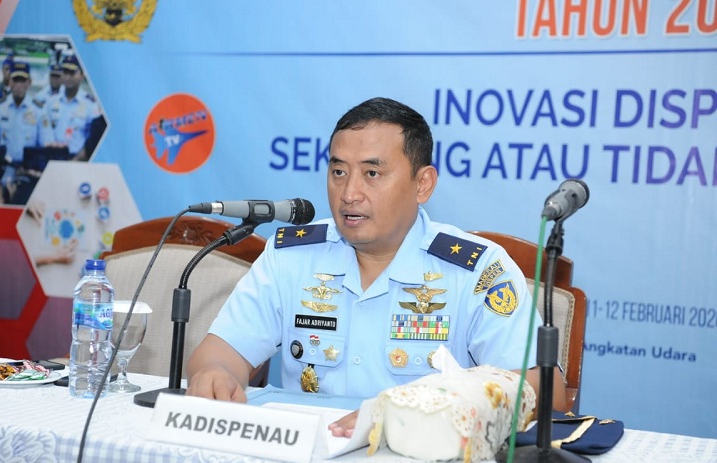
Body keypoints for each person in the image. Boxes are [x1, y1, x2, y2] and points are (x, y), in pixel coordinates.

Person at [185, 97, 566, 436]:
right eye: (338, 172)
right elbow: (219, 353)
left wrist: (415, 414)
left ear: (423, 184)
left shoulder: (476, 270)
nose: (349, 194)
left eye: (372, 174)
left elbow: (544, 392)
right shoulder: (291, 257)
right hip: (305, 459)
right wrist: (215, 374)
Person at [0, 60, 54, 202]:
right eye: (15, 80)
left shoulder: (38, 110)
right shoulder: (0, 108)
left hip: (29, 170)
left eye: (22, 80)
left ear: (29, 83)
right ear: (9, 82)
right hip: (6, 168)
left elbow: (46, 145)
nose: (18, 85)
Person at [46, 54, 106, 161]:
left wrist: (77, 159)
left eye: (72, 73)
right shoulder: (51, 102)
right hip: (50, 157)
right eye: (65, 72)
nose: (68, 77)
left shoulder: (90, 105)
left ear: (82, 76)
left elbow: (94, 137)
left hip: (77, 159)